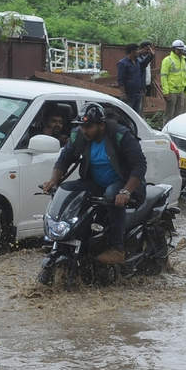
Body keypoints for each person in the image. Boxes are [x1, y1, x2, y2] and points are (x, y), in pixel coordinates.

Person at [41, 102, 147, 265]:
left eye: (89, 127)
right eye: (82, 126)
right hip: (95, 182)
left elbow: (139, 165)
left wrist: (126, 192)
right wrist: (53, 181)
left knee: (111, 194)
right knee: (66, 189)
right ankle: (68, 236)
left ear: (101, 125)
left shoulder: (121, 135)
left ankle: (117, 248)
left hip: (123, 183)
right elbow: (64, 160)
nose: (85, 130)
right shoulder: (79, 136)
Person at [161, 40, 186, 123]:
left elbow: (185, 77)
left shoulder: (183, 61)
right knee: (169, 114)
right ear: (173, 49)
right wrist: (166, 92)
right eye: (178, 50)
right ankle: (165, 132)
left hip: (181, 92)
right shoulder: (167, 60)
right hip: (172, 92)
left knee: (179, 115)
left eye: (181, 50)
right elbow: (164, 77)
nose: (180, 51)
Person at [116, 43, 143, 113]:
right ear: (132, 51)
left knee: (137, 115)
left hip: (138, 93)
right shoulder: (122, 63)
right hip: (128, 95)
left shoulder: (138, 62)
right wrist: (123, 94)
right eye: (137, 50)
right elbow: (120, 80)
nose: (139, 52)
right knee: (127, 114)